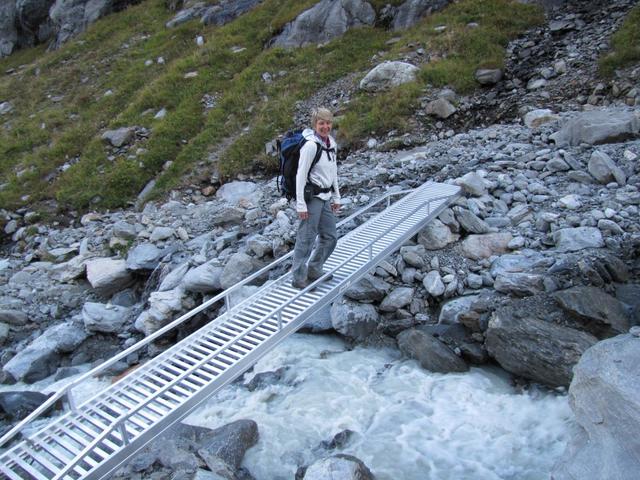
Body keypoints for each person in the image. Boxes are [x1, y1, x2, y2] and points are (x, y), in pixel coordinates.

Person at [291, 107, 341, 289]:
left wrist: (337, 197)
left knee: (330, 237)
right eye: (321, 123)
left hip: (326, 196)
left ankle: (314, 268)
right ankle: (298, 278)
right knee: (306, 238)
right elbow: (300, 175)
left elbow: (333, 171)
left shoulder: (331, 144)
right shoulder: (311, 146)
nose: (325, 126)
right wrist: (301, 205)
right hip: (312, 198)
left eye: (328, 123)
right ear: (315, 125)